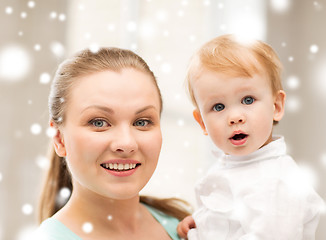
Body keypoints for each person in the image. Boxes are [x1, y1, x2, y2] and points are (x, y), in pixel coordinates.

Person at [177, 34, 324, 239]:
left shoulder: (278, 181)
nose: (235, 117)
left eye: (248, 100)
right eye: (218, 106)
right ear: (202, 122)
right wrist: (201, 224)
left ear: (277, 106)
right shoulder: (230, 166)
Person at [34, 47, 191, 240]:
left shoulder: (183, 226)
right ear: (59, 138)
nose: (126, 143)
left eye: (142, 122)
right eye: (98, 122)